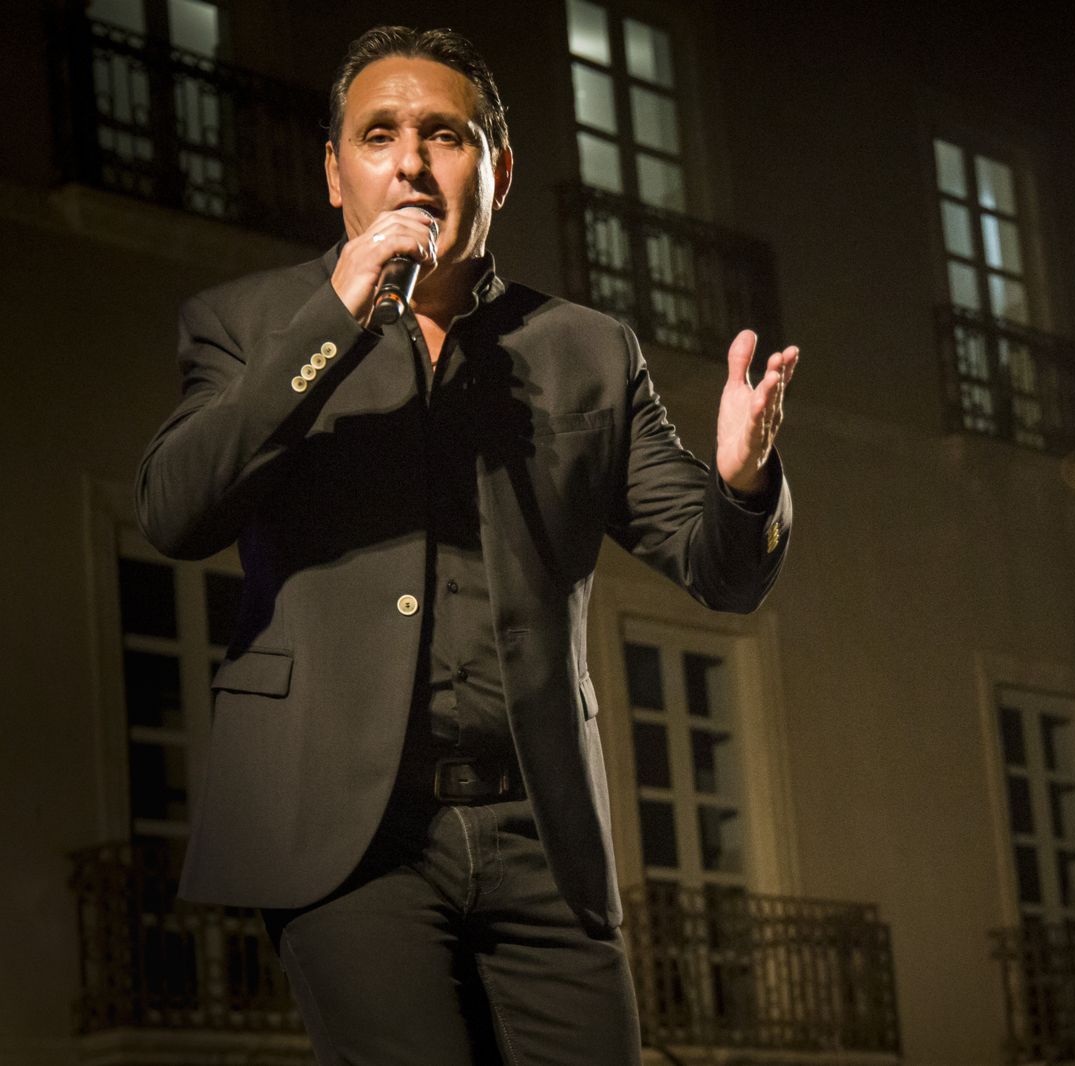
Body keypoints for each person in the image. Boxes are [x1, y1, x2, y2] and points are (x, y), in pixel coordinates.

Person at [135, 25, 797, 1065]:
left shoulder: (587, 350)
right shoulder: (247, 324)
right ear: (335, 174)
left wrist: (746, 481)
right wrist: (337, 314)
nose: (409, 162)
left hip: (539, 835)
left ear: (499, 171)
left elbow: (722, 572)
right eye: (378, 136)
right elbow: (176, 510)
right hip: (348, 836)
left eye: (444, 135)